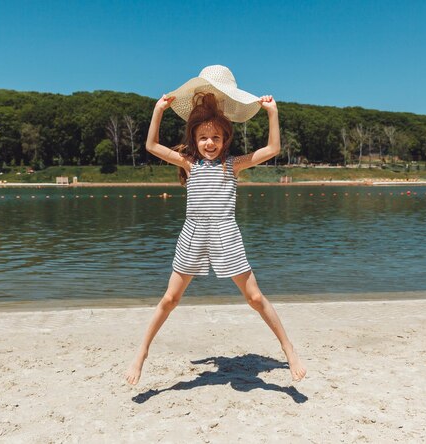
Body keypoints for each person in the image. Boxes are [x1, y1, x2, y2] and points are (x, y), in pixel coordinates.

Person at [125, 66, 306, 385]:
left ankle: (288, 348)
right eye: (203, 137)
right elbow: (152, 146)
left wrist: (272, 114)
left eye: (216, 138)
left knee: (254, 298)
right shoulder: (189, 163)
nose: (210, 142)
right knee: (169, 300)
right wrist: (157, 111)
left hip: (226, 235)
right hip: (192, 235)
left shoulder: (231, 165)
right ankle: (141, 352)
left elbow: (273, 149)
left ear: (225, 140)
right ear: (195, 139)